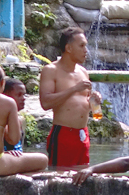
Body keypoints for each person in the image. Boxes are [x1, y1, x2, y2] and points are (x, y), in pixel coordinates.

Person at [39, 27, 100, 168]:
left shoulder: (83, 72)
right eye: (82, 45)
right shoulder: (51, 70)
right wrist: (74, 89)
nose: (86, 50)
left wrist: (95, 102)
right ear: (69, 48)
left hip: (83, 135)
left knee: (83, 182)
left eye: (86, 45)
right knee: (59, 181)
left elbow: (96, 114)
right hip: (63, 135)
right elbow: (45, 103)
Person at [2, 78, 27, 153]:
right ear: (6, 95)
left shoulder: (20, 119)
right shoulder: (0, 120)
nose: (23, 98)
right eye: (19, 95)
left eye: (24, 94)